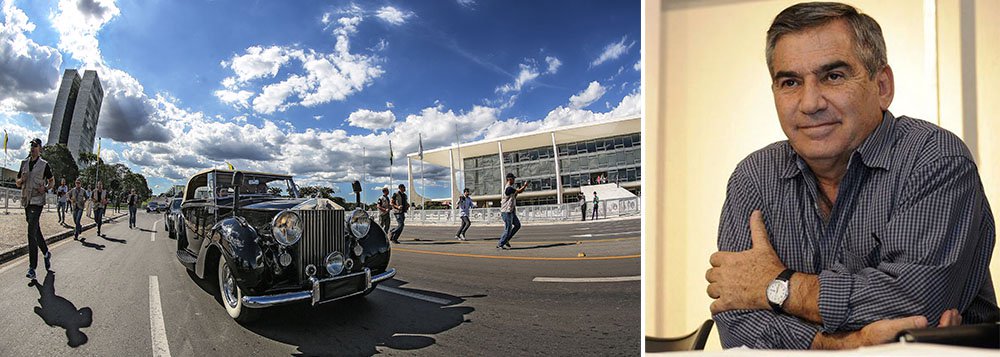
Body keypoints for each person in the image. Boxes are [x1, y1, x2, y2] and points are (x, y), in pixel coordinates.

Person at [705, 2, 998, 350]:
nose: (810, 102)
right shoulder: (753, 178)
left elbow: (916, 304)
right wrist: (843, 344)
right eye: (790, 82)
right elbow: (736, 321)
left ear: (882, 85)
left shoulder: (933, 158)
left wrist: (775, 286)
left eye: (833, 76)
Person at [15, 138, 53, 280]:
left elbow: (51, 181)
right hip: (26, 200)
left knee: (31, 232)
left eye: (35, 146)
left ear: (40, 149)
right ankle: (46, 252)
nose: (32, 148)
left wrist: (46, 188)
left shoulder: (44, 165)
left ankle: (32, 268)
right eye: (31, 145)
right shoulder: (24, 163)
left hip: (37, 201)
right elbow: (17, 182)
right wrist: (21, 180)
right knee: (35, 230)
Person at [497, 173, 528, 250]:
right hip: (506, 211)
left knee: (517, 225)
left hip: (511, 211)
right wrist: (524, 186)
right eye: (513, 179)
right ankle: (500, 243)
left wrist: (519, 189)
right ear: (509, 179)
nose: (514, 180)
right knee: (508, 228)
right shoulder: (508, 188)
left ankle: (506, 239)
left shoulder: (511, 189)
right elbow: (519, 191)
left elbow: (516, 194)